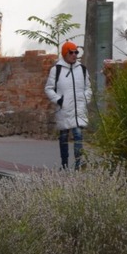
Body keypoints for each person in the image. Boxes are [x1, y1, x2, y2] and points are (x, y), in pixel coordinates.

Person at [44, 40, 92, 170]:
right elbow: (48, 88)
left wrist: (85, 99)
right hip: (64, 109)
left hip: (78, 109)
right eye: (71, 52)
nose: (74, 55)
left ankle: (78, 164)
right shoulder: (57, 69)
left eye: (76, 52)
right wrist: (59, 100)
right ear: (65, 53)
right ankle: (64, 164)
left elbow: (88, 87)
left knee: (78, 136)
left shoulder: (82, 69)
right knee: (64, 137)